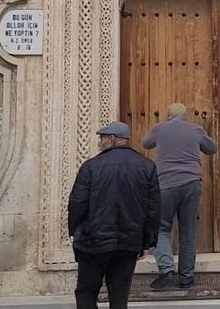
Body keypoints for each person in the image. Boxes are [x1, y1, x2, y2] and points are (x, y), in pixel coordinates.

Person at [68, 121, 161, 309]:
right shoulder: (146, 166)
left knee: (87, 291)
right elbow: (153, 208)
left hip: (94, 241)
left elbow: (77, 203)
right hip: (129, 241)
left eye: (102, 138)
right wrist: (147, 242)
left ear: (112, 139)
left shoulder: (91, 166)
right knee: (119, 293)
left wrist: (76, 231)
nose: (100, 142)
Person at [142, 103, 217, 290]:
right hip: (191, 184)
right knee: (188, 232)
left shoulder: (160, 129)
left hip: (165, 185)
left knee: (161, 229)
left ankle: (167, 270)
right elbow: (212, 148)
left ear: (168, 115)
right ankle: (186, 278)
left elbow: (146, 143)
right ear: (185, 115)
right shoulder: (195, 129)